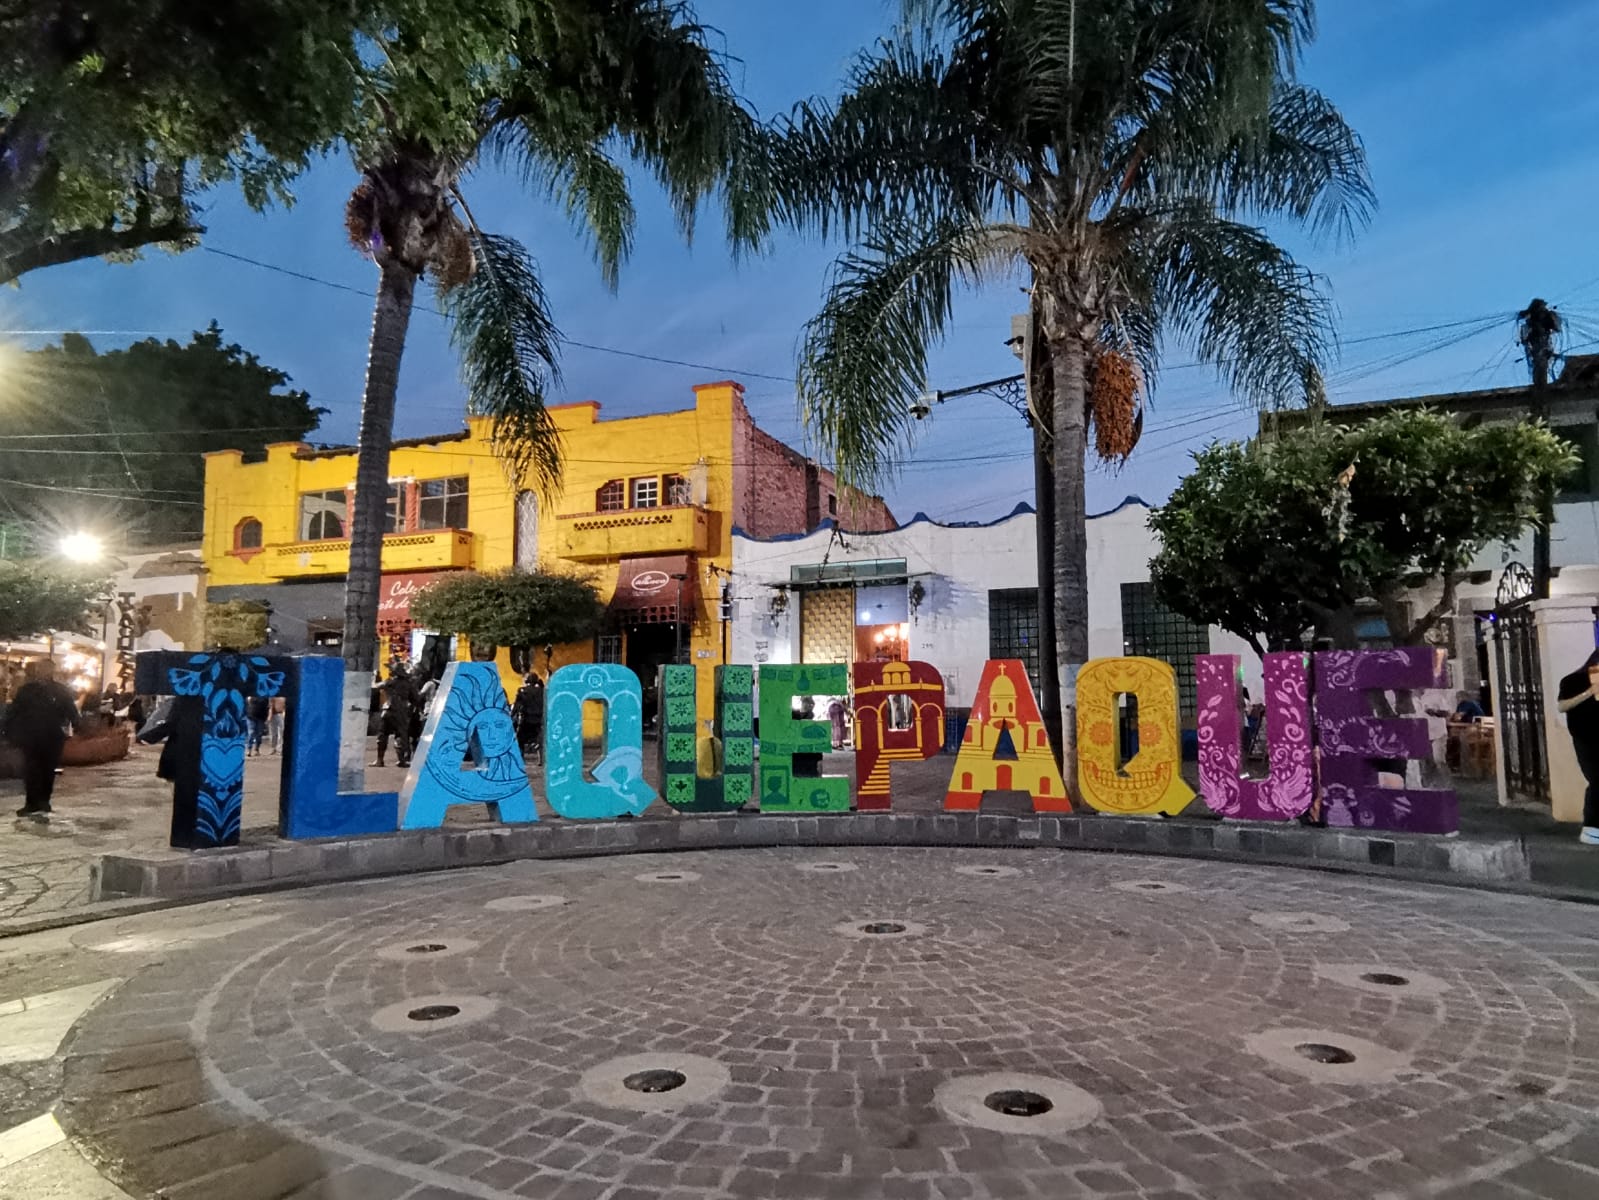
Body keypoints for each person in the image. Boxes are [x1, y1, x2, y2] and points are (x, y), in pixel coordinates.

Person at [3, 659, 80, 819]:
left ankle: (44, 801)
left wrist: (78, 727)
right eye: (40, 668)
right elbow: (15, 710)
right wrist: (7, 730)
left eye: (45, 668)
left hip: (51, 736)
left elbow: (71, 711)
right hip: (31, 735)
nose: (42, 671)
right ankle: (31, 803)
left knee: (47, 770)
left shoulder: (59, 690)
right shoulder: (27, 690)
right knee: (31, 770)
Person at [1557, 650, 1599, 846]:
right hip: (1586, 739)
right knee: (1597, 780)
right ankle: (1591, 828)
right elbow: (1562, 706)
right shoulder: (1572, 681)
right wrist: (1590, 692)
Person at [374, 662, 418, 768]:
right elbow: (416, 699)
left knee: (382, 735)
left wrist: (376, 679)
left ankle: (380, 760)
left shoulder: (389, 681)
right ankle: (401, 760)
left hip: (387, 710)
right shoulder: (409, 684)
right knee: (400, 735)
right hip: (401, 711)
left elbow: (375, 687)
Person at [511, 671, 546, 761]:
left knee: (519, 738)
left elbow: (517, 706)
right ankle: (540, 758)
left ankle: (521, 756)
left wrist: (511, 715)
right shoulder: (542, 691)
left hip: (526, 721)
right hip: (539, 720)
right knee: (540, 738)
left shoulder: (522, 691)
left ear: (526, 680)